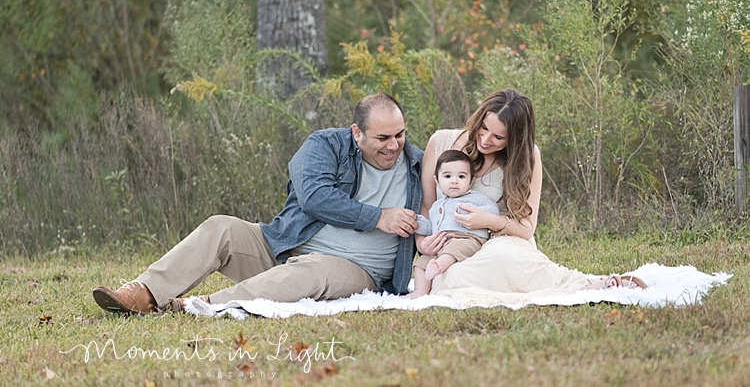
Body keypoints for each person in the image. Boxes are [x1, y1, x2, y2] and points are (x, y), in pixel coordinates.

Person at [92, 93, 423, 314]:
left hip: (357, 270)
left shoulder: (417, 166)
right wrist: (378, 217)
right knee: (221, 227)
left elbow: (464, 168)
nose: (394, 145)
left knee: (312, 272)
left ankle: (201, 306)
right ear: (357, 133)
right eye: (383, 138)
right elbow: (314, 197)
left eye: (400, 134)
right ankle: (142, 294)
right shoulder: (325, 145)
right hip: (285, 247)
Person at [416, 89, 646, 307]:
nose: (485, 139)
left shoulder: (528, 157)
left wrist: (488, 221)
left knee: (498, 256)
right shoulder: (441, 142)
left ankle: (585, 286)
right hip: (451, 248)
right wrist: (422, 242)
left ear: (514, 139)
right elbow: (426, 206)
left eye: (498, 137)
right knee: (452, 274)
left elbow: (526, 228)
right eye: (483, 128)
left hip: (500, 241)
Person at [407, 149, 499, 298]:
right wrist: (417, 222)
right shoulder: (436, 206)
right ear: (437, 181)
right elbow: (431, 226)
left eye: (461, 176)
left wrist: (474, 214)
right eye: (448, 176)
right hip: (443, 241)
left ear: (471, 181)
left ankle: (439, 266)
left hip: (468, 238)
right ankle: (420, 292)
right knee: (421, 262)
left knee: (455, 248)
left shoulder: (475, 198)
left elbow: (492, 211)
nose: (454, 181)